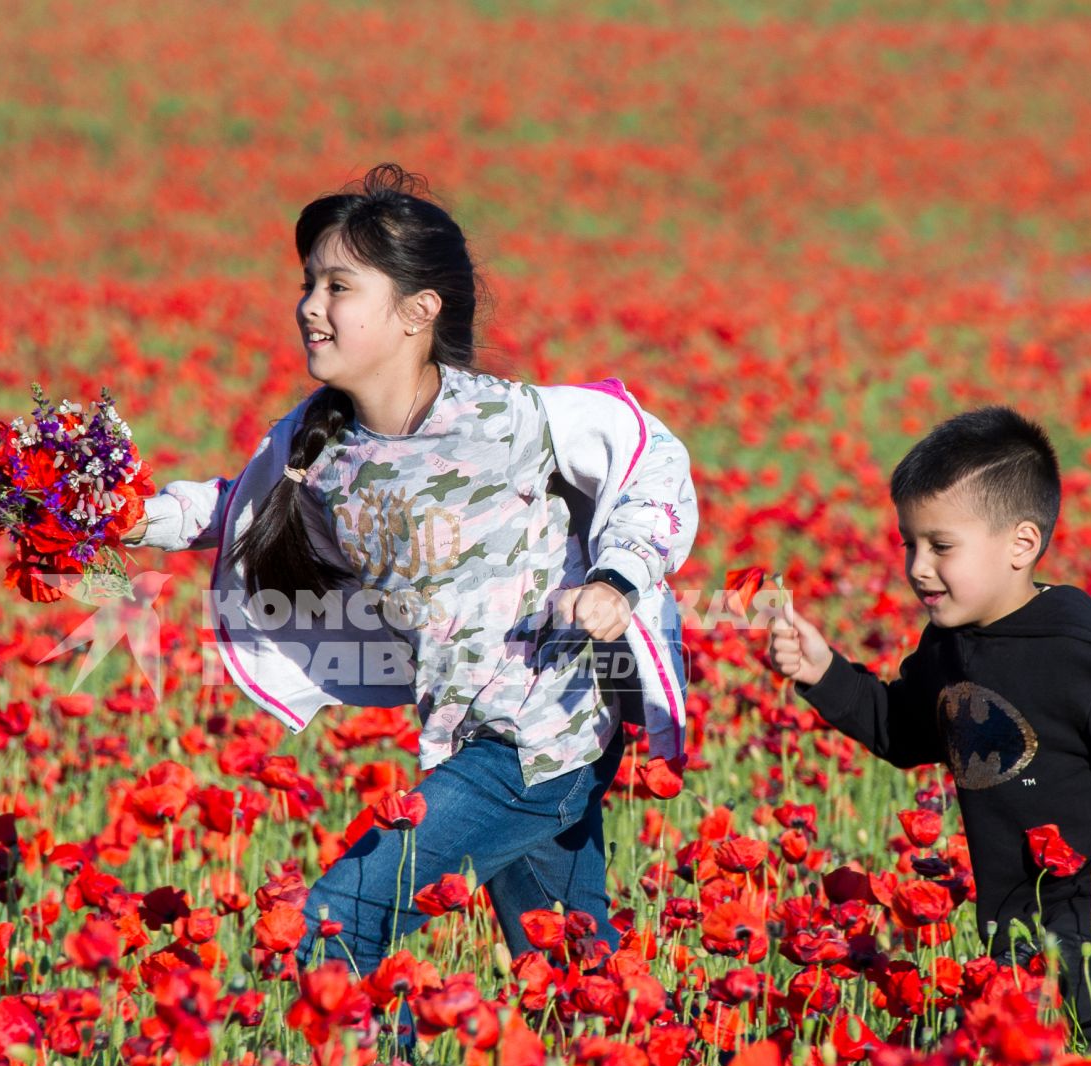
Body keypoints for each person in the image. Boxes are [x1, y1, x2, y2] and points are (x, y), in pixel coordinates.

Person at [122, 163, 698, 982]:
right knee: (578, 978)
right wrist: (117, 515)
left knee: (332, 924)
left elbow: (651, 461)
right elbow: (233, 509)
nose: (310, 307)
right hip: (463, 735)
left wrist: (617, 579)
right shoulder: (322, 445)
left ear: (417, 312)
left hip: (539, 737)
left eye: (339, 286)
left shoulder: (510, 420)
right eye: (308, 284)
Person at [764, 406, 1091, 1051]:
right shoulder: (947, 645)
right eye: (909, 543)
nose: (917, 567)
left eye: (940, 546)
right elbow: (901, 729)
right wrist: (824, 672)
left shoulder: (1078, 654)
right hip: (1017, 926)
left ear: (1020, 545)